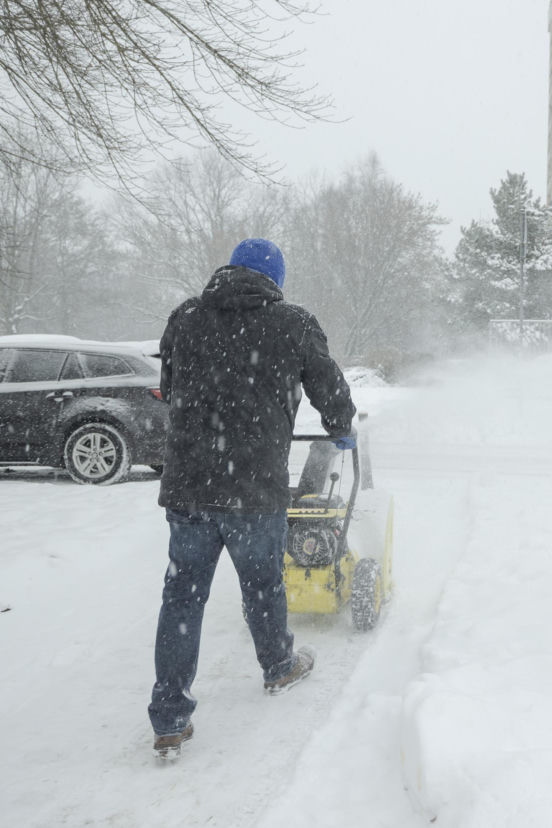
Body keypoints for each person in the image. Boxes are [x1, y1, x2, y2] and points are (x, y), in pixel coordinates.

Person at [149, 238, 356, 760]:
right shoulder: (293, 322)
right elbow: (327, 385)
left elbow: (169, 386)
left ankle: (171, 715)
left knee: (182, 599)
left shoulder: (187, 317)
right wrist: (342, 428)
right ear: (274, 279)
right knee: (262, 584)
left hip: (190, 486)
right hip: (253, 488)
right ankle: (278, 666)